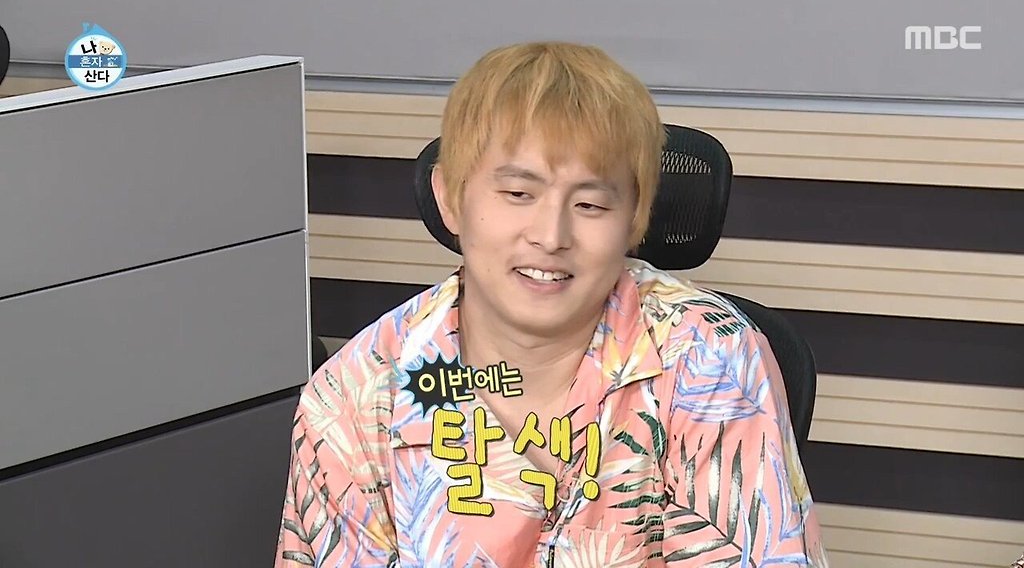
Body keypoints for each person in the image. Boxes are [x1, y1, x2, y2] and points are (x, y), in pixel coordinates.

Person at [275, 41, 829, 567]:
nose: (550, 235)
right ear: (450, 199)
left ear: (635, 219)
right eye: (518, 193)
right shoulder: (356, 395)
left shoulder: (709, 361)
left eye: (590, 204)